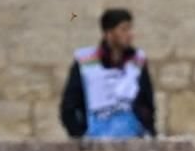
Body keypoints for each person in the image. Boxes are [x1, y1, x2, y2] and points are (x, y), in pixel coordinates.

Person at [60, 8, 155, 139]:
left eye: (130, 29)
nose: (130, 34)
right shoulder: (85, 62)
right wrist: (80, 135)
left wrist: (148, 130)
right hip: (95, 140)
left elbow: (147, 103)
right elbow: (70, 105)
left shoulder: (137, 61)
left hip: (132, 141)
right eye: (124, 29)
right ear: (109, 33)